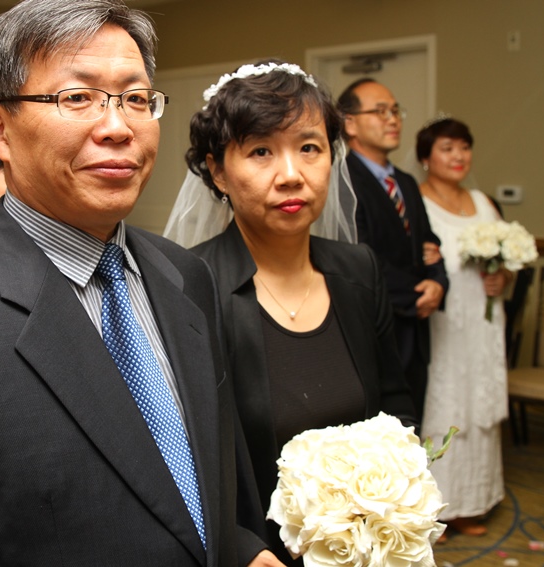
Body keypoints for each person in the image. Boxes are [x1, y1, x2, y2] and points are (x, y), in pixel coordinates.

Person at [0, 1, 278, 566]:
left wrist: (243, 549)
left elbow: (202, 487)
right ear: (1, 130)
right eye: (78, 97)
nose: (117, 127)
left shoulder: (184, 275)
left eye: (136, 99)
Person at [166, 60, 417, 566]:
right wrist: (242, 548)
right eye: (260, 151)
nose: (291, 176)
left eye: (309, 148)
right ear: (218, 171)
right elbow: (176, 451)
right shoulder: (187, 286)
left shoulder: (359, 270)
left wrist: (390, 501)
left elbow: (396, 405)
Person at [415, 117, 509, 540]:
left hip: (483, 322)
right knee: (446, 404)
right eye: (447, 148)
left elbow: (505, 261)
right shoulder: (418, 202)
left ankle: (475, 501)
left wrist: (502, 277)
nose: (458, 156)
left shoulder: (484, 202)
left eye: (464, 148)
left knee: (480, 403)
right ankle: (437, 507)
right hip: (444, 322)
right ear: (425, 157)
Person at [338, 78, 448, 423]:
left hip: (418, 333)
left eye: (396, 111)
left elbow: (430, 242)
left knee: (413, 430)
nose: (393, 119)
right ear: (350, 123)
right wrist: (417, 294)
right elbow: (359, 254)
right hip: (377, 326)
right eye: (381, 111)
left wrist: (438, 282)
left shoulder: (406, 182)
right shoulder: (341, 179)